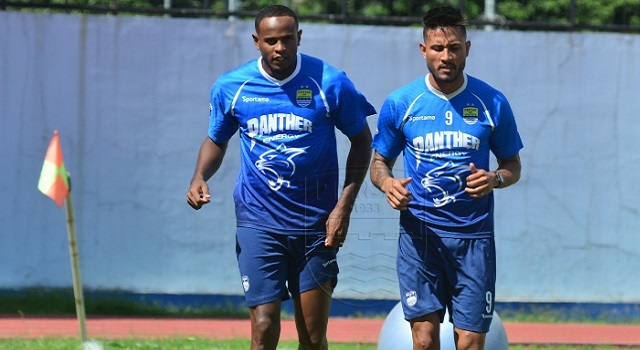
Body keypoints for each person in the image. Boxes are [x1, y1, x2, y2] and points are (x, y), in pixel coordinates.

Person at [186, 5, 375, 350]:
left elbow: (362, 140)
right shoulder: (232, 86)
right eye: (271, 41)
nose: (280, 48)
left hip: (316, 224)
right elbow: (216, 139)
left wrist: (342, 208)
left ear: (299, 38)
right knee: (263, 325)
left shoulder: (330, 82)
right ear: (256, 42)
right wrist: (199, 176)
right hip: (258, 222)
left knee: (313, 337)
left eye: (287, 39)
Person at [369, 5, 523, 350]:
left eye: (454, 47)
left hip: (474, 239)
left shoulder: (492, 102)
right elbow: (378, 164)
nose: (446, 56)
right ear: (424, 50)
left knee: (469, 342)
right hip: (419, 238)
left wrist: (495, 178)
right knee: (423, 341)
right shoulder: (402, 103)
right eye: (438, 48)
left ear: (467, 49)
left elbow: (513, 165)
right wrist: (388, 184)